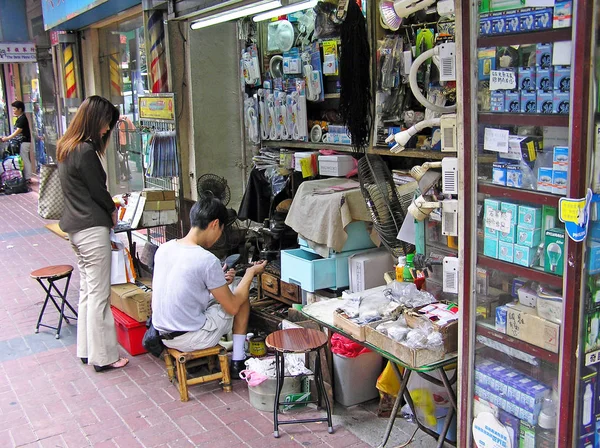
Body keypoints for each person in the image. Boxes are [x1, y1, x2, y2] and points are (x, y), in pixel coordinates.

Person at [152, 196, 266, 378]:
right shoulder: (206, 259)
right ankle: (237, 361)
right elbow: (233, 306)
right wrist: (250, 273)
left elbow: (186, 285)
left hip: (163, 333)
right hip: (190, 338)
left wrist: (219, 281)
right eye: (221, 230)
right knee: (241, 298)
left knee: (232, 294)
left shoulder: (164, 248)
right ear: (214, 224)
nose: (220, 236)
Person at [57, 95, 128, 372]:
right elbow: (98, 191)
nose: (105, 130)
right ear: (97, 120)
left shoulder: (66, 146)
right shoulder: (85, 151)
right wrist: (112, 208)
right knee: (99, 295)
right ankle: (105, 357)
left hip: (75, 228)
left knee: (88, 291)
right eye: (106, 124)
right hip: (91, 228)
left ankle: (87, 350)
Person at [1, 100, 32, 182]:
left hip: (24, 142)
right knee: (22, 159)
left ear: (20, 109)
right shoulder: (19, 118)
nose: (13, 111)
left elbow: (17, 131)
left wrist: (7, 138)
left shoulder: (22, 118)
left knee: (24, 158)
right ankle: (25, 177)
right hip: (21, 142)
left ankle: (28, 177)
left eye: (15, 109)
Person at [33, 102, 46, 171]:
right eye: (36, 106)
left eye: (38, 106)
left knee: (41, 148)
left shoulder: (40, 114)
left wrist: (43, 134)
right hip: (37, 135)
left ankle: (42, 163)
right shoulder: (33, 115)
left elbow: (43, 124)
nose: (37, 107)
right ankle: (40, 164)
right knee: (38, 149)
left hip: (40, 133)